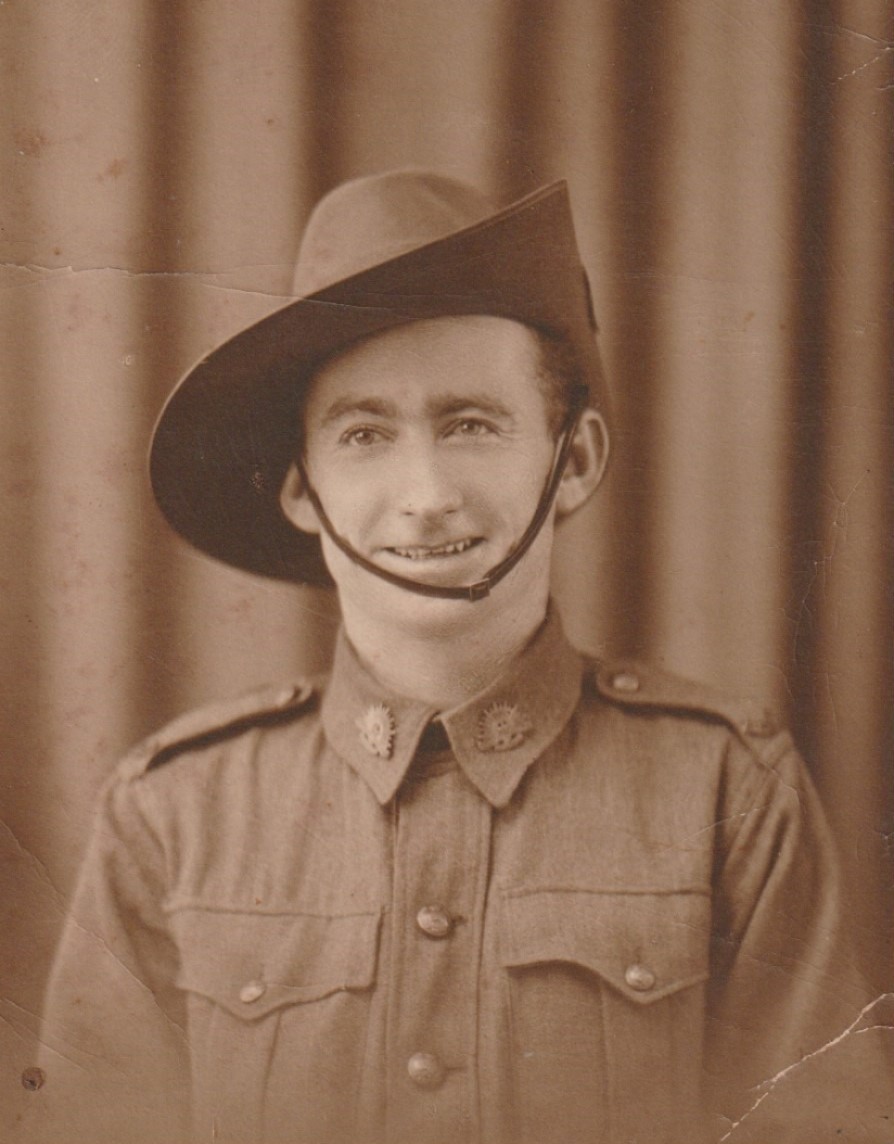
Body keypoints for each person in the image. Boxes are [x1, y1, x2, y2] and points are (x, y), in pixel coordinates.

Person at [36, 171, 891, 1144]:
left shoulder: (725, 786)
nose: (426, 491)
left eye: (471, 425)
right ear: (303, 494)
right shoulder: (174, 810)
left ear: (571, 463)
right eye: (364, 435)